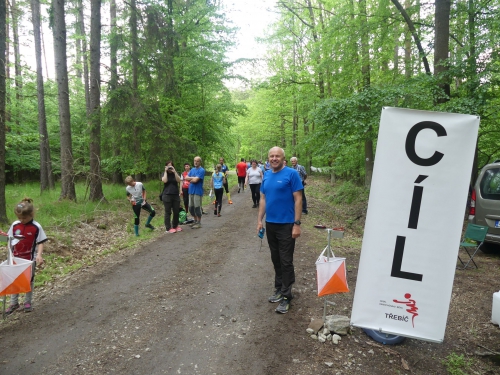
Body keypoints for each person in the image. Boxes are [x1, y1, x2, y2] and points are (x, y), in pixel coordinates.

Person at [257, 147, 303, 314]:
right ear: (268, 158)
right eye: (271, 156)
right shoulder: (267, 174)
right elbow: (263, 199)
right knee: (275, 259)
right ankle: (279, 288)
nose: (274, 158)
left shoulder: (292, 174)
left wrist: (297, 224)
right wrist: (259, 221)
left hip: (287, 225)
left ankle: (286, 295)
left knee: (286, 260)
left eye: (277, 156)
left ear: (283, 158)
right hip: (271, 224)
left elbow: (298, 199)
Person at [5, 198, 48, 314]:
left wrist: (39, 255)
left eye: (24, 218)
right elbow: (9, 239)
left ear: (31, 214)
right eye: (19, 218)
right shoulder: (15, 225)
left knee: (28, 281)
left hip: (29, 259)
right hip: (15, 258)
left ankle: (27, 302)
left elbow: (40, 242)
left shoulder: (36, 227)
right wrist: (9, 252)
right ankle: (14, 303)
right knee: (15, 280)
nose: (22, 220)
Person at [161, 161, 182, 233]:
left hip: (175, 195)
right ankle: (168, 228)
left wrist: (174, 171)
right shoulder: (164, 174)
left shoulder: (175, 173)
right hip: (166, 195)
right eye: (168, 166)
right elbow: (165, 180)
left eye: (171, 166)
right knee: (168, 212)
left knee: (176, 211)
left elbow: (179, 180)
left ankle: (175, 225)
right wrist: (166, 171)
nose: (170, 168)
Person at [185, 156, 205, 229]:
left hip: (197, 191)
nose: (195, 162)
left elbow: (196, 180)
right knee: (191, 207)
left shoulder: (202, 170)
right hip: (191, 191)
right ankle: (195, 220)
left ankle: (199, 222)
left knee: (197, 207)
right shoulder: (192, 170)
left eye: (197, 161)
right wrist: (193, 179)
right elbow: (186, 177)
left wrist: (191, 179)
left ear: (200, 162)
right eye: (194, 161)